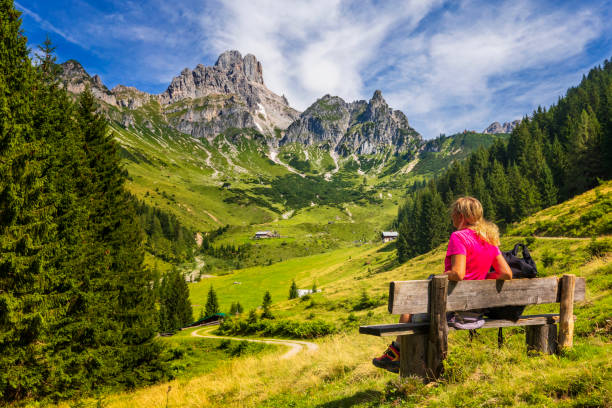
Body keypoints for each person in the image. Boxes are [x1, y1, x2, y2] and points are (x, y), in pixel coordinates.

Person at [372, 196, 512, 373]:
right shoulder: (490, 238)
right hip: (477, 310)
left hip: (453, 309)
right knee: (414, 305)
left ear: (461, 216)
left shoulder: (459, 237)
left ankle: (397, 356)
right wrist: (481, 277)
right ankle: (396, 354)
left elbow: (458, 273)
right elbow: (507, 273)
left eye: (453, 213)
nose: (451, 217)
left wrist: (439, 276)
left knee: (410, 308)